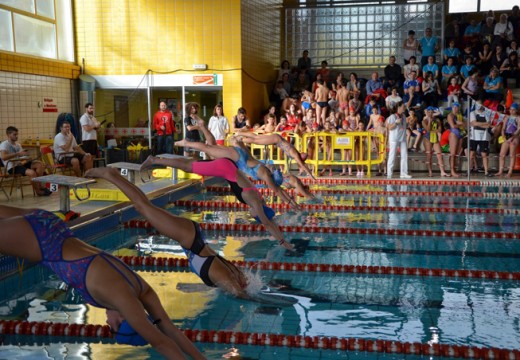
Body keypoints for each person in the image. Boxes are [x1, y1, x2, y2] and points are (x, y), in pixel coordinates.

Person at [0, 204, 205, 359]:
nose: (107, 322)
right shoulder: (122, 300)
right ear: (124, 323)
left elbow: (169, 329)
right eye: (112, 327)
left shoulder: (142, 290)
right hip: (42, 243)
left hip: (51, 224)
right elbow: (161, 342)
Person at [138, 157, 293, 250]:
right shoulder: (254, 201)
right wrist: (283, 242)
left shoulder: (259, 199)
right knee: (188, 166)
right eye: (256, 217)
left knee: (190, 164)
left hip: (229, 166)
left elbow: (269, 221)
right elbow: (267, 223)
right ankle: (154, 160)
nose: (253, 217)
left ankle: (156, 160)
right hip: (224, 168)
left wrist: (282, 237)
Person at [237, 132, 315, 179]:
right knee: (256, 140)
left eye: (305, 155)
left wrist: (310, 174)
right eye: (305, 153)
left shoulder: (296, 156)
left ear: (302, 158)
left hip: (277, 139)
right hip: (276, 139)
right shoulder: (295, 154)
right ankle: (239, 139)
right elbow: (303, 165)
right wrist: (311, 175)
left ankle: (240, 134)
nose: (305, 153)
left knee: (256, 138)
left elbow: (303, 165)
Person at [0, 126, 51, 196]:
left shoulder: (17, 145)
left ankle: (40, 186)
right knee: (32, 173)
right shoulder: (4, 144)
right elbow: (3, 157)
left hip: (20, 164)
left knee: (39, 164)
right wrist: (18, 154)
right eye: (14, 134)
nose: (16, 136)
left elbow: (21, 156)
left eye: (17, 134)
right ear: (8, 135)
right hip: (12, 167)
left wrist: (27, 157)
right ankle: (38, 191)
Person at [386, 101, 411, 179]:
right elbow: (389, 127)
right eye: (403, 106)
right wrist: (396, 123)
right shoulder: (392, 116)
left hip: (402, 138)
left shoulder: (403, 116)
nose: (404, 107)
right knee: (392, 155)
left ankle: (403, 173)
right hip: (394, 138)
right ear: (399, 107)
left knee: (404, 155)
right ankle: (389, 173)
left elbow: (404, 126)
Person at [422, 107, 449, 177]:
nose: (431, 114)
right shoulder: (424, 121)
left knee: (439, 155)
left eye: (432, 112)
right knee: (429, 155)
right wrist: (430, 121)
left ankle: (442, 172)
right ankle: (430, 172)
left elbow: (440, 130)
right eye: (429, 112)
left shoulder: (437, 120)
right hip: (427, 138)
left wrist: (432, 131)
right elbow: (427, 129)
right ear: (427, 113)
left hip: (435, 138)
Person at [495, 103, 520, 177]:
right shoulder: (507, 117)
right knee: (501, 155)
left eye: (513, 110)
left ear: (517, 110)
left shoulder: (518, 118)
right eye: (510, 109)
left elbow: (519, 129)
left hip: (514, 137)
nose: (511, 111)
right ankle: (500, 171)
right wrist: (503, 137)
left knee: (512, 155)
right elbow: (503, 128)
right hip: (506, 137)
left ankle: (510, 172)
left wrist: (512, 137)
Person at [469, 102, 493, 177]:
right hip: (473, 136)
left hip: (484, 137)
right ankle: (469, 170)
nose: (480, 106)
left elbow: (488, 125)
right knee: (472, 153)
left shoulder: (487, 113)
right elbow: (474, 123)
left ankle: (486, 171)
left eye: (481, 105)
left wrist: (478, 124)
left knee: (484, 154)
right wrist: (484, 124)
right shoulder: (472, 113)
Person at [446, 103, 465, 177]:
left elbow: (464, 125)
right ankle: (452, 171)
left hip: (460, 134)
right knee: (453, 154)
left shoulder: (459, 116)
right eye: (454, 107)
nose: (456, 109)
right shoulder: (450, 115)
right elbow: (453, 126)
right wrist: (461, 124)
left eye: (457, 107)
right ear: (452, 108)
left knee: (457, 154)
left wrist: (461, 124)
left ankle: (454, 170)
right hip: (453, 134)